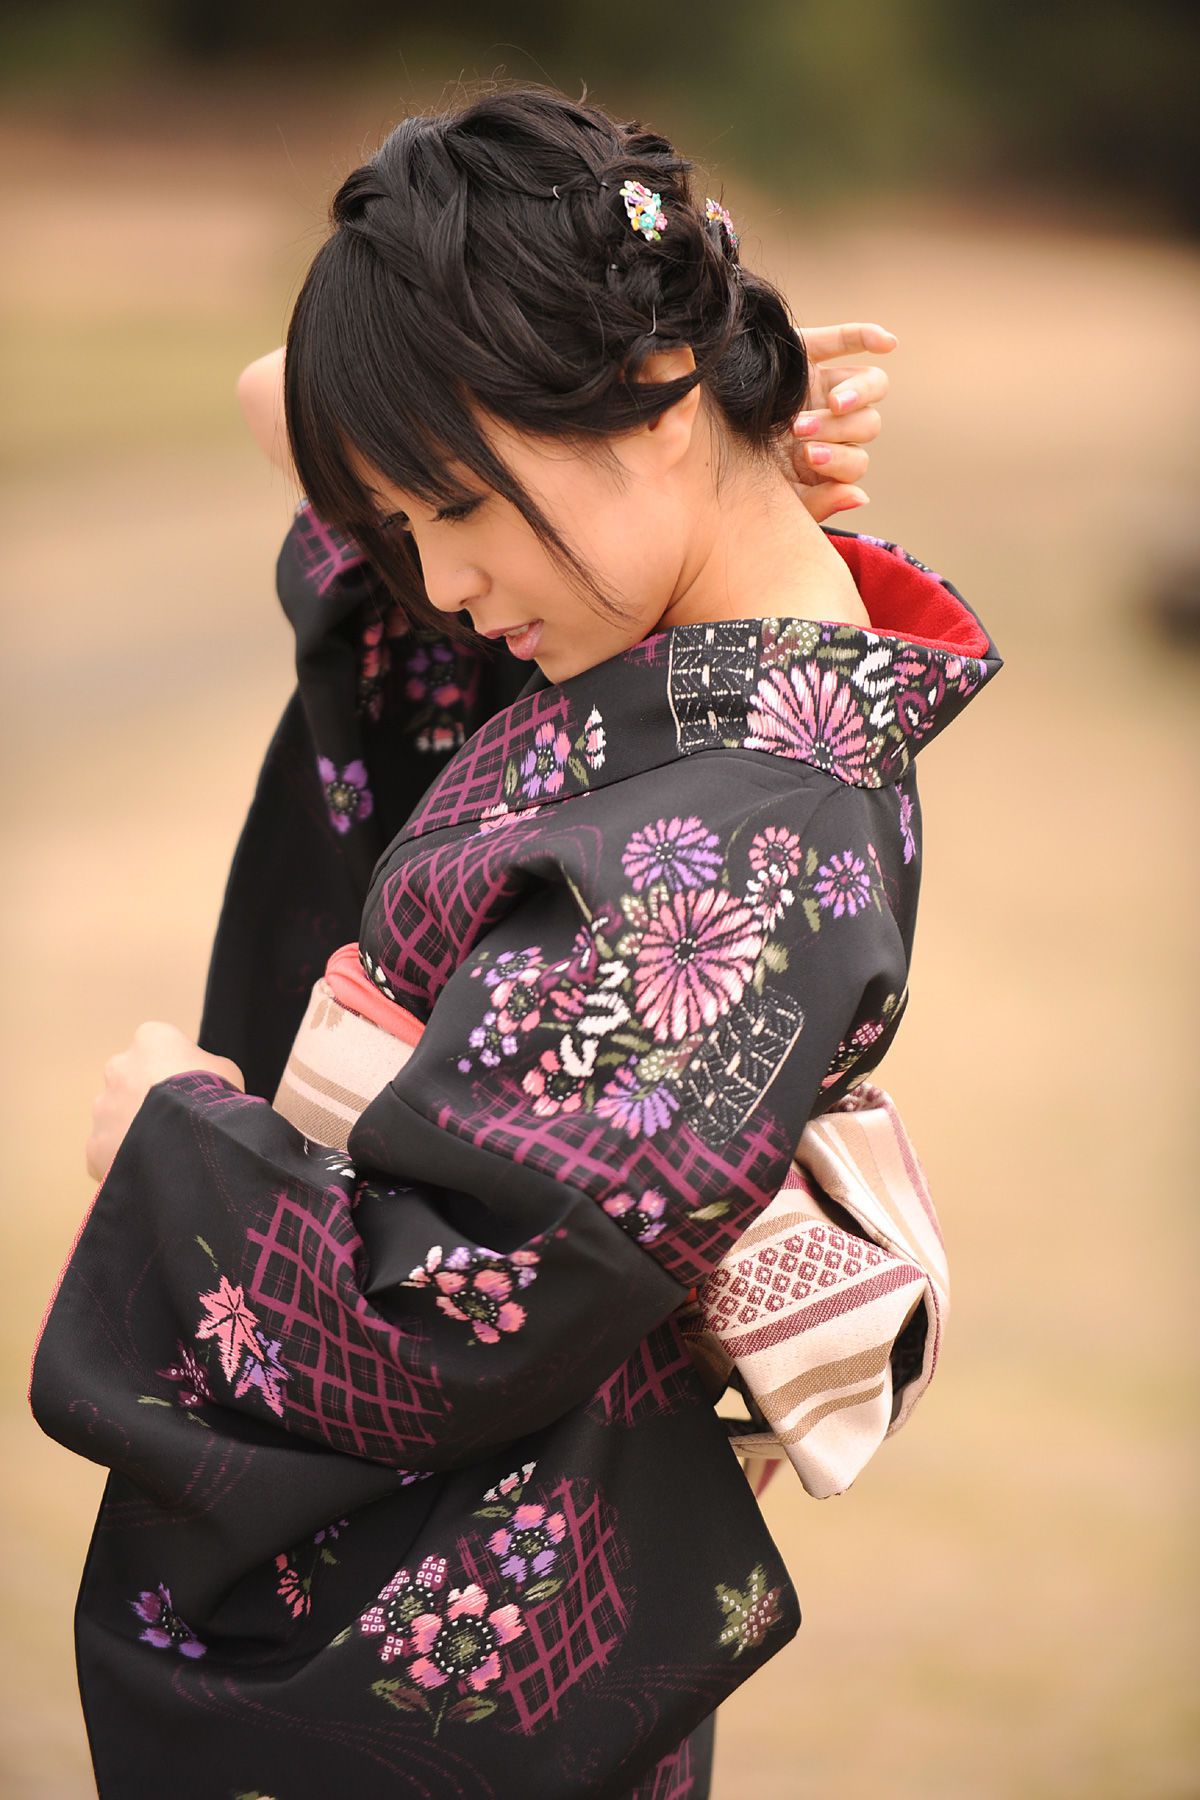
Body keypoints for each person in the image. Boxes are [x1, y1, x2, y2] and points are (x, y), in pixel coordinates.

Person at [30, 84, 1004, 1798]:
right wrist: (716, 397)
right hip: (472, 1587)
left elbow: (471, 1310)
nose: (440, 583)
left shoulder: (751, 832)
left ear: (652, 389)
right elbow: (282, 400)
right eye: (407, 526)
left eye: (456, 510)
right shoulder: (641, 634)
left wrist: (173, 1145)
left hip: (478, 1619)